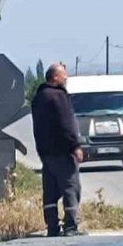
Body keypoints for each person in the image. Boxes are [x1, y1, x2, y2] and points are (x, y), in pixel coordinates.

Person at [31, 62, 86, 237]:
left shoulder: (39, 97)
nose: (66, 78)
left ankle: (52, 227)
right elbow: (66, 123)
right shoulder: (58, 96)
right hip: (63, 152)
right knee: (71, 187)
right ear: (55, 77)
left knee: (50, 191)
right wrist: (75, 146)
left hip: (46, 153)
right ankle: (71, 226)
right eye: (63, 75)